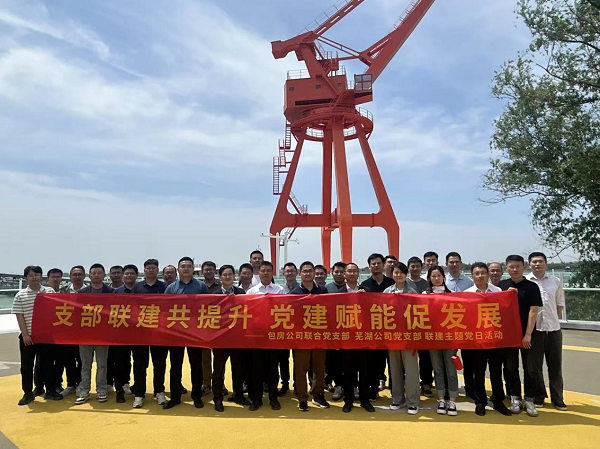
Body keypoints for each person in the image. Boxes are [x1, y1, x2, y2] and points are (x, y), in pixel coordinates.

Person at [498, 255, 543, 417]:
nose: (515, 270)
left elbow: (533, 311)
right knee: (511, 367)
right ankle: (515, 397)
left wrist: (528, 334)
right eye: (511, 267)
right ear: (507, 268)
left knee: (530, 367)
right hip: (509, 334)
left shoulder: (532, 286)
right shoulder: (502, 286)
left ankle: (529, 399)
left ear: (524, 268)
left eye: (518, 266)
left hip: (527, 334)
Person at [465, 262, 512, 416]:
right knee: (478, 373)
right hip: (477, 340)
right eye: (477, 273)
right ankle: (480, 402)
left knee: (496, 372)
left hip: (495, 339)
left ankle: (498, 401)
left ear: (488, 275)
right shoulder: (467, 294)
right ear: (472, 276)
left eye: (483, 273)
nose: (480, 276)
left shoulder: (498, 291)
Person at [162, 256, 209, 410]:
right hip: (176, 333)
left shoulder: (201, 287)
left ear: (193, 269)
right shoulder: (171, 288)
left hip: (195, 333)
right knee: (175, 366)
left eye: (189, 266)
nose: (186, 269)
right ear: (178, 269)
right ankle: (175, 397)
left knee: (196, 365)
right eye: (183, 266)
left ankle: (197, 396)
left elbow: (208, 307)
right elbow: (164, 310)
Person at [13, 265, 62, 405]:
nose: (34, 277)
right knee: (26, 366)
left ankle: (50, 390)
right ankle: (28, 393)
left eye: (36, 274)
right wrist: (25, 335)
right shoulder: (20, 295)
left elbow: (56, 310)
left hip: (46, 336)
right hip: (28, 336)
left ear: (41, 276)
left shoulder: (49, 291)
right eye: (31, 275)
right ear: (26, 278)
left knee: (48, 364)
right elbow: (20, 316)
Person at [526, 252, 567, 411]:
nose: (537, 264)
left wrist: (552, 319)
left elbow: (560, 304)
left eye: (540, 261)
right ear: (529, 264)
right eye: (534, 262)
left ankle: (558, 398)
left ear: (546, 263)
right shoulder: (526, 282)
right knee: (535, 366)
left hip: (553, 330)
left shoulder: (555, 281)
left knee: (555, 366)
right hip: (535, 330)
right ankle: (539, 396)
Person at [211, 265, 251, 412]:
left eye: (230, 274)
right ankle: (217, 398)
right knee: (218, 370)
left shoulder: (241, 293)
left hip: (237, 338)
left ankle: (238, 395)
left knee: (238, 368)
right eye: (225, 275)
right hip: (220, 339)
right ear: (220, 277)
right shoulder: (214, 295)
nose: (227, 277)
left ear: (234, 277)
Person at [290, 262, 329, 411]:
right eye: (304, 271)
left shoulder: (323, 290)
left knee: (319, 368)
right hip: (301, 337)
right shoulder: (294, 293)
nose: (307, 274)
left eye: (310, 271)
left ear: (314, 273)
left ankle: (318, 395)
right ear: (300, 274)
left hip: (319, 335)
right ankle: (302, 398)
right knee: (301, 369)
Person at [246, 261, 283, 411]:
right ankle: (257, 399)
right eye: (263, 271)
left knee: (273, 369)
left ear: (272, 273)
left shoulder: (280, 290)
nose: (266, 273)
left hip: (273, 335)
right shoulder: (251, 292)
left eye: (268, 270)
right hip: (257, 336)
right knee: (257, 369)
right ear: (259, 273)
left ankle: (274, 398)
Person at [384, 262, 420, 414]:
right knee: (395, 369)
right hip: (392, 337)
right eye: (396, 272)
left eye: (401, 272)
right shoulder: (387, 291)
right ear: (392, 274)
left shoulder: (413, 291)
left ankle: (413, 402)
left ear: (406, 274)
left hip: (408, 337)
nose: (398, 275)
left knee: (411, 371)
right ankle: (398, 399)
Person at [75, 263, 114, 405]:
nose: (96, 275)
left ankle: (101, 389)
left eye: (99, 273)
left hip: (103, 335)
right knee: (85, 365)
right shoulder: (82, 293)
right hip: (85, 335)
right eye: (94, 273)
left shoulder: (111, 292)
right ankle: (84, 390)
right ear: (89, 275)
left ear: (104, 275)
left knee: (102, 364)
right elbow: (77, 313)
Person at [424, 266, 459, 416]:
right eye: (433, 276)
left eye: (439, 275)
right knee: (437, 369)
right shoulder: (424, 295)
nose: (436, 278)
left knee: (451, 370)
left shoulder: (452, 295)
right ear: (429, 278)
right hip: (432, 339)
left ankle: (452, 400)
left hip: (449, 339)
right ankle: (441, 399)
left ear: (444, 277)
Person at [130, 259, 165, 408]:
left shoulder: (164, 287)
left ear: (157, 270)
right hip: (140, 332)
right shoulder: (137, 287)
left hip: (159, 332)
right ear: (144, 270)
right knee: (139, 364)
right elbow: (131, 307)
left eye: (153, 268)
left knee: (159, 363)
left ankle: (159, 391)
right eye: (148, 268)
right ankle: (139, 394)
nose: (151, 270)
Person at [340, 262, 374, 413]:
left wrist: (365, 298)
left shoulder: (367, 291)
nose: (352, 273)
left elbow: (373, 311)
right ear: (344, 274)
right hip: (346, 337)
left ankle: (365, 400)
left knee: (365, 370)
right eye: (349, 271)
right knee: (348, 371)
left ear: (358, 273)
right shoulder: (339, 293)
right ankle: (348, 400)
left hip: (363, 337)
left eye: (355, 271)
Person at [360, 253, 394, 394]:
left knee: (392, 360)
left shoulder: (392, 283)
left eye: (379, 263)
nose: (376, 266)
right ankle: (373, 389)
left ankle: (395, 388)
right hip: (373, 329)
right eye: (373, 263)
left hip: (391, 327)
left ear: (383, 265)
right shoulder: (364, 285)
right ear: (369, 266)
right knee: (373, 360)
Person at [444, 252, 475, 399]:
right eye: (451, 262)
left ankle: (470, 388)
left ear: (461, 264)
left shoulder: (469, 282)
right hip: (448, 325)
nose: (454, 264)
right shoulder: (442, 281)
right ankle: (449, 388)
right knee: (449, 358)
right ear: (446, 264)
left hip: (467, 326)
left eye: (457, 262)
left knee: (469, 359)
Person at [406, 256, 433, 397]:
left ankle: (426, 382)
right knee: (406, 357)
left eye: (418, 266)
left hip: (424, 325)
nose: (415, 269)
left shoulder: (427, 284)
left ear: (421, 267)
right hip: (406, 326)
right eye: (413, 266)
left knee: (425, 357)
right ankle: (407, 383)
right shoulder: (403, 283)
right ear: (408, 268)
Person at [57, 265, 85, 397]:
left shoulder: (89, 291)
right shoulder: (63, 291)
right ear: (70, 276)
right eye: (75, 274)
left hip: (83, 332)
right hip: (67, 331)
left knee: (82, 360)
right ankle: (70, 385)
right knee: (68, 359)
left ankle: (81, 384)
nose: (77, 277)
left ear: (84, 276)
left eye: (80, 274)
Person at [111, 264, 137, 401]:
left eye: (132, 274)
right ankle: (119, 390)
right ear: (123, 276)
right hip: (121, 332)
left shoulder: (141, 290)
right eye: (126, 274)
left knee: (138, 362)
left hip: (139, 332)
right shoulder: (116, 292)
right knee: (120, 361)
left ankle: (136, 388)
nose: (129, 276)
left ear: (136, 276)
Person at [200, 261, 220, 395]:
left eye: (211, 270)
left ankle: (220, 384)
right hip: (203, 328)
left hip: (218, 328)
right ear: (202, 272)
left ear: (215, 271)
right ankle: (206, 383)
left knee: (219, 359)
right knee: (205, 359)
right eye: (206, 270)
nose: (208, 272)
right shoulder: (199, 287)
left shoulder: (221, 287)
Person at [279, 262, 299, 396]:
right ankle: (285, 383)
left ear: (297, 273)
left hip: (299, 329)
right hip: (284, 328)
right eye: (287, 271)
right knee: (283, 358)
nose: (290, 273)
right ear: (283, 274)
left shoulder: (302, 288)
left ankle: (298, 384)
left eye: (292, 271)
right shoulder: (280, 290)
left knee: (299, 359)